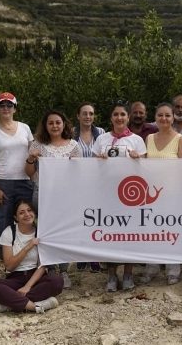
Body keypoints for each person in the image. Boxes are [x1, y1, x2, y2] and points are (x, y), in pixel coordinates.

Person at [92, 102, 147, 292]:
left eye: (123, 114)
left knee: (130, 235)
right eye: (115, 114)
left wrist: (137, 159)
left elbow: (146, 169)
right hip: (107, 194)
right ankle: (111, 275)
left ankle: (128, 274)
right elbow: (91, 168)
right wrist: (98, 160)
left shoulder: (137, 140)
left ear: (128, 117)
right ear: (111, 118)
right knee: (110, 235)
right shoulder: (101, 139)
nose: (119, 118)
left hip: (129, 195)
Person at [25, 110, 81, 289]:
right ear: (45, 126)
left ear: (64, 124)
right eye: (51, 123)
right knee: (44, 232)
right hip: (42, 194)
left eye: (58, 122)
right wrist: (31, 159)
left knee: (63, 233)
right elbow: (29, 173)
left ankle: (63, 270)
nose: (55, 126)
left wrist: (76, 164)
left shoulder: (74, 146)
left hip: (65, 197)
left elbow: (80, 175)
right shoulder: (38, 145)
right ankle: (48, 268)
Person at [140, 103, 182, 285]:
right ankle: (151, 267)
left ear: (173, 117)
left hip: (173, 195)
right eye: (160, 115)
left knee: (171, 232)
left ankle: (172, 269)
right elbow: (143, 165)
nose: (164, 119)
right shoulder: (149, 138)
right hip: (151, 195)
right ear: (155, 117)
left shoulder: (180, 139)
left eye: (167, 115)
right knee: (151, 232)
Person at [0, 199, 63, 313]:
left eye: (29, 210)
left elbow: (43, 265)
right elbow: (10, 266)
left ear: (34, 213)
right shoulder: (9, 232)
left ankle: (10, 303)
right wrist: (28, 246)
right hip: (15, 278)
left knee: (57, 281)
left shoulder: (40, 233)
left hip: (35, 278)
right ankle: (35, 306)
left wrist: (28, 286)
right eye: (21, 212)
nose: (27, 214)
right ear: (16, 217)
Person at [0, 92, 34, 259]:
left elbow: (33, 155)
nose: (6, 108)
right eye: (2, 105)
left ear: (15, 109)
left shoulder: (25, 128)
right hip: (1, 183)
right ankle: (7, 262)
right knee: (3, 223)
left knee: (27, 222)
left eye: (9, 105)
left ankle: (29, 260)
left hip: (25, 182)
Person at [73, 102, 105, 272]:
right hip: (77, 184)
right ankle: (80, 255)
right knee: (80, 220)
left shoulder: (101, 133)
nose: (87, 117)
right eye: (84, 113)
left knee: (94, 220)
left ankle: (94, 257)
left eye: (91, 114)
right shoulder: (71, 133)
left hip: (96, 184)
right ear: (78, 116)